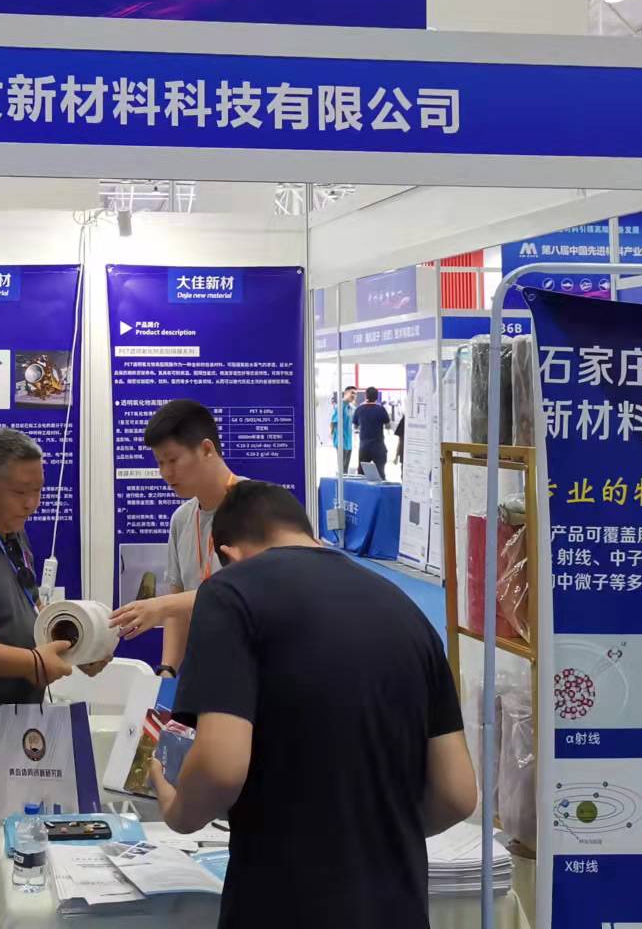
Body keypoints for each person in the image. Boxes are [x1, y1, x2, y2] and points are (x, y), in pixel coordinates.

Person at [151, 481, 476, 928]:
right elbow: (457, 794)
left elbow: (220, 767)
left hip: (285, 904)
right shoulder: (407, 612)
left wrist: (177, 809)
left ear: (230, 554)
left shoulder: (230, 594)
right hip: (397, 906)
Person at [0, 428, 104, 929]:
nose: (32, 504)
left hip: (18, 741)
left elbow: (25, 619)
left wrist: (80, 649)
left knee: (14, 875)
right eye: (21, 492)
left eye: (38, 491)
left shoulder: (14, 537)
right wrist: (32, 664)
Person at [109, 400, 240, 680]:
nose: (166, 473)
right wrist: (167, 669)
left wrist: (161, 606)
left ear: (207, 449)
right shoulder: (182, 519)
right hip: (204, 672)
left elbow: (251, 593)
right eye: (160, 463)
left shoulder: (258, 507)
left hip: (254, 671)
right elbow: (178, 605)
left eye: (172, 460)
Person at [353, 385, 393, 479]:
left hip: (364, 447)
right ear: (377, 396)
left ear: (366, 396)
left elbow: (355, 426)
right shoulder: (381, 409)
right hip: (378, 447)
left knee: (361, 475)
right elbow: (388, 426)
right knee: (380, 473)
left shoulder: (359, 409)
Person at [329, 385, 358, 475]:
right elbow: (333, 422)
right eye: (352, 393)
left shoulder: (351, 407)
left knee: (345, 470)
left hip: (348, 442)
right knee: (341, 470)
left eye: (355, 394)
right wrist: (332, 435)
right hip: (341, 441)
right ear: (346, 393)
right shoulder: (340, 406)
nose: (354, 395)